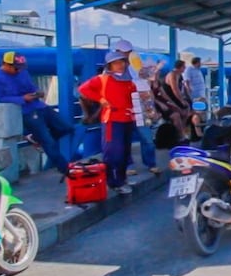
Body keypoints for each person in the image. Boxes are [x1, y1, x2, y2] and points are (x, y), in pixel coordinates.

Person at [0, 51, 73, 177]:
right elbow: (1, 98)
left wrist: (37, 93)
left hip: (39, 106)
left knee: (67, 128)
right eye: (16, 68)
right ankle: (66, 170)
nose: (18, 71)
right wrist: (22, 99)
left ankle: (37, 139)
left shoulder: (22, 72)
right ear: (6, 65)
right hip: (25, 111)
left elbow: (31, 87)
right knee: (49, 142)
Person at [79, 52, 137, 194]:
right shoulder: (102, 79)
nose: (121, 65)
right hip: (112, 120)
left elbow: (135, 97)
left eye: (122, 62)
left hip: (128, 119)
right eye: (117, 63)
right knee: (113, 152)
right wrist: (100, 99)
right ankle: (113, 182)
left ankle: (122, 179)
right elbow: (83, 89)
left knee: (125, 152)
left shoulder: (129, 81)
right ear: (110, 65)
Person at [114, 40, 160, 176]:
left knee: (146, 137)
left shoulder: (137, 66)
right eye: (124, 52)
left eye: (127, 52)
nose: (126, 55)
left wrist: (152, 108)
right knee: (125, 138)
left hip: (139, 105)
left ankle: (150, 163)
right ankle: (128, 165)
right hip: (124, 106)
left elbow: (148, 87)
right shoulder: (113, 70)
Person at [155, 59, 192, 141]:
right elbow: (175, 90)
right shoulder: (172, 74)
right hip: (169, 99)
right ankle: (179, 134)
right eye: (184, 67)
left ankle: (182, 131)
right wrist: (181, 101)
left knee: (187, 110)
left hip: (172, 100)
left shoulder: (180, 75)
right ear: (180, 67)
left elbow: (182, 88)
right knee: (179, 113)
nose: (185, 68)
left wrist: (187, 97)